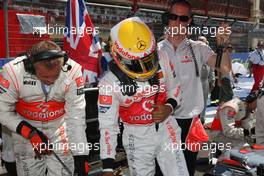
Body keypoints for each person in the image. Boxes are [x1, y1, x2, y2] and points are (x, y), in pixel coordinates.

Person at [98, 17, 188, 176]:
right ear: (117, 56)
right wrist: (108, 167)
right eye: (136, 63)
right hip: (136, 137)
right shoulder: (108, 83)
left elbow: (175, 88)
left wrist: (168, 107)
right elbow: (107, 127)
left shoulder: (163, 57)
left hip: (167, 128)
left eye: (148, 59)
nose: (145, 67)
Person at [158, 0, 232, 175]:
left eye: (183, 18)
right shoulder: (156, 50)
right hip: (162, 122)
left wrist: (222, 44)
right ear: (167, 19)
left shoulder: (198, 48)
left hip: (189, 123)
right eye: (173, 17)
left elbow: (225, 68)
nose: (177, 22)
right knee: (161, 171)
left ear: (189, 21)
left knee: (187, 170)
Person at [0, 41, 89, 176]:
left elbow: (76, 117)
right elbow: (3, 111)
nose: (51, 80)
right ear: (31, 67)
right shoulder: (13, 71)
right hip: (25, 129)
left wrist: (81, 156)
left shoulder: (73, 71)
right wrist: (29, 132)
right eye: (45, 76)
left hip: (58, 129)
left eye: (56, 75)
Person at [198, 36, 215, 124]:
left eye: (203, 42)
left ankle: (202, 119)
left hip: (205, 82)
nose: (201, 43)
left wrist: (212, 80)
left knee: (204, 101)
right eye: (199, 41)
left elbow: (212, 68)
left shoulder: (209, 54)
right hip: (195, 82)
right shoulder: (193, 53)